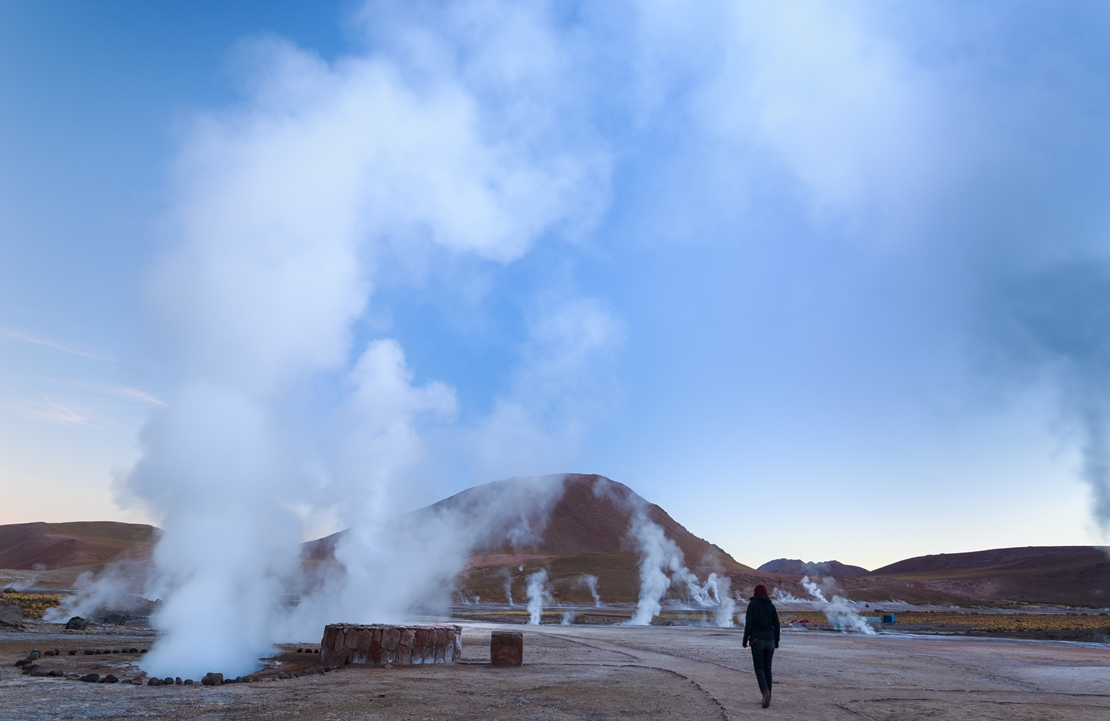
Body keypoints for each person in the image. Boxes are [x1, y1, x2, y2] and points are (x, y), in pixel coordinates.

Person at [742, 584, 780, 708]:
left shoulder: (753, 605)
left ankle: (765, 692)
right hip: (770, 641)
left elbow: (749, 624)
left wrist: (744, 639)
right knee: (767, 668)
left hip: (757, 640)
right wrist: (777, 640)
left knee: (759, 668)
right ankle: (769, 694)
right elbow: (777, 625)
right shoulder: (771, 605)